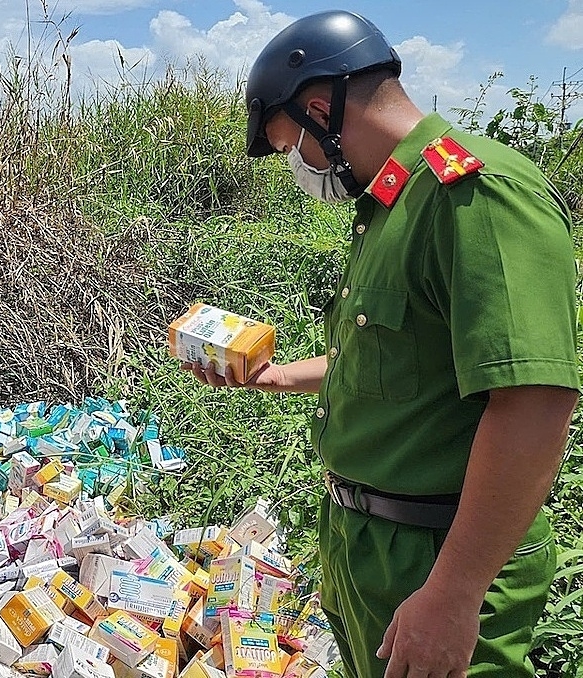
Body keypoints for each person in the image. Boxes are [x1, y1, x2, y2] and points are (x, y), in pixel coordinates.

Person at [188, 10, 580, 678]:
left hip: (438, 555)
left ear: (321, 110)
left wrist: (454, 594)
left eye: (292, 148)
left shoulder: (475, 195)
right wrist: (279, 375)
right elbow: (394, 360)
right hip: (365, 544)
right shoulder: (391, 206)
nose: (298, 167)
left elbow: (533, 402)